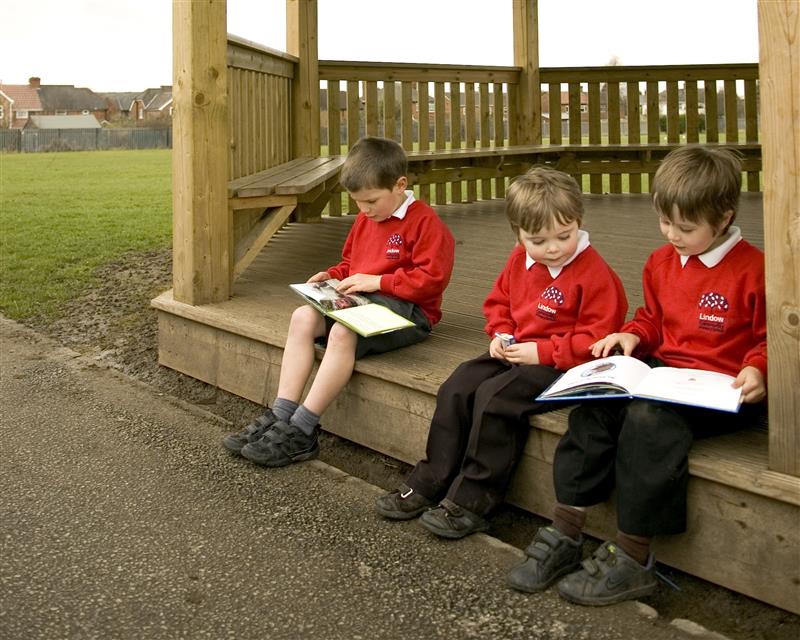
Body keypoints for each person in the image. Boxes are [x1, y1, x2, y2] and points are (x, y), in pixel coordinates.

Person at [506, 145, 767, 606]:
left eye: (685, 228)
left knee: (648, 421)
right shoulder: (661, 261)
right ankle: (566, 530)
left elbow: (773, 338)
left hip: (725, 389)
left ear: (724, 218)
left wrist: (758, 367)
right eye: (665, 223)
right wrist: (631, 337)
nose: (672, 235)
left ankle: (633, 558)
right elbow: (651, 318)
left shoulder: (756, 269)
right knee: (596, 396)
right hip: (666, 373)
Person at [375, 166, 628, 539]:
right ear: (518, 236)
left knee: (496, 400)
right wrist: (501, 333)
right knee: (459, 385)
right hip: (517, 350)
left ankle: (475, 499)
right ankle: (430, 479)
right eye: (538, 241)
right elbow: (500, 303)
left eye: (564, 235)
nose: (554, 248)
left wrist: (543, 352)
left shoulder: (595, 274)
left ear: (579, 222)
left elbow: (598, 338)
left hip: (564, 362)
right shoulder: (519, 261)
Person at [222, 136, 455, 467]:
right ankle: (281, 413)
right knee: (303, 317)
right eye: (358, 202)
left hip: (410, 312)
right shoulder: (366, 219)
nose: (364, 210)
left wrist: (380, 282)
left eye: (371, 201)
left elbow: (432, 280)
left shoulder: (426, 223)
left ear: (400, 184)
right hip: (362, 303)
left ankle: (303, 430)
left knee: (342, 332)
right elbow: (351, 264)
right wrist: (331, 275)